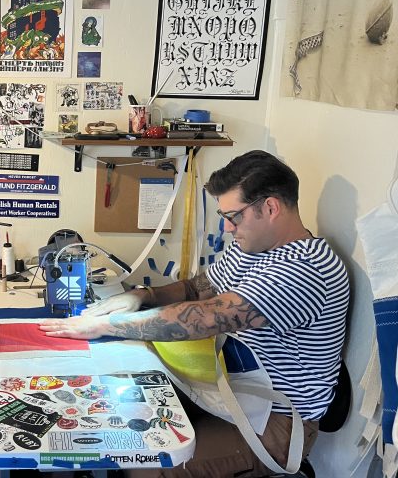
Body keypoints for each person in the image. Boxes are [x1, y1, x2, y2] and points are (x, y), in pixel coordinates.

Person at [40, 150, 349, 477]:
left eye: (234, 216)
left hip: (277, 425)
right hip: (236, 394)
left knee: (145, 463)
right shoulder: (253, 247)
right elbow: (200, 288)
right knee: (118, 417)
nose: (228, 228)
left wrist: (111, 325)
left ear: (270, 208)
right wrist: (142, 296)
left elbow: (208, 317)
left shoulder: (305, 269)